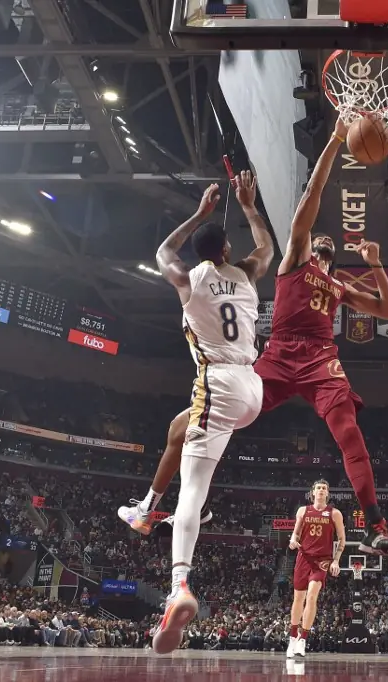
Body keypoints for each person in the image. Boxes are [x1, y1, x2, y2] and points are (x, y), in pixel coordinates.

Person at [125, 172, 274, 655]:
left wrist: (198, 213)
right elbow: (267, 247)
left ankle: (179, 585)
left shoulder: (188, 280)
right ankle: (146, 508)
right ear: (227, 250)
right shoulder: (246, 273)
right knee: (179, 429)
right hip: (252, 387)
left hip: (218, 383)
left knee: (193, 486)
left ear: (200, 252)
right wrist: (247, 204)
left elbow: (163, 251)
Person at [252, 117, 388, 556]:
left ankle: (376, 526)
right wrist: (336, 138)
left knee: (350, 434)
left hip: (321, 360)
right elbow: (312, 195)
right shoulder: (296, 259)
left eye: (327, 242)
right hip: (280, 352)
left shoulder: (339, 286)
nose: (323, 239)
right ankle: (172, 497)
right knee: (229, 410)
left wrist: (375, 265)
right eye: (319, 236)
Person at [286, 480, 346, 659]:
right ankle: (292, 638)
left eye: (324, 488)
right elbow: (296, 533)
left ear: (328, 493)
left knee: (312, 597)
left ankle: (303, 639)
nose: (321, 490)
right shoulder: (303, 511)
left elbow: (342, 539)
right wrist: (292, 540)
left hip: (322, 560)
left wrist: (336, 561)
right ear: (312, 492)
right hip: (304, 557)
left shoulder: (334, 513)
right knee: (298, 599)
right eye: (318, 488)